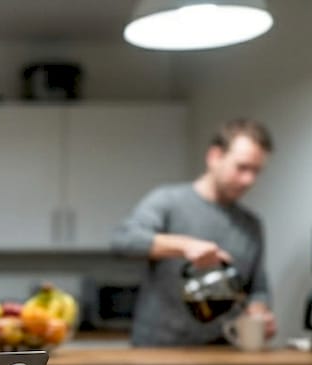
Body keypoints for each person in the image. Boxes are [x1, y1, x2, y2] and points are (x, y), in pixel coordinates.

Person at [112, 119, 278, 346]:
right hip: (157, 350)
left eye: (256, 171)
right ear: (215, 157)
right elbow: (124, 240)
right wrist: (185, 246)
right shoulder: (168, 201)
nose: (249, 180)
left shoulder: (251, 225)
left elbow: (258, 290)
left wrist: (259, 314)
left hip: (222, 352)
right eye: (242, 168)